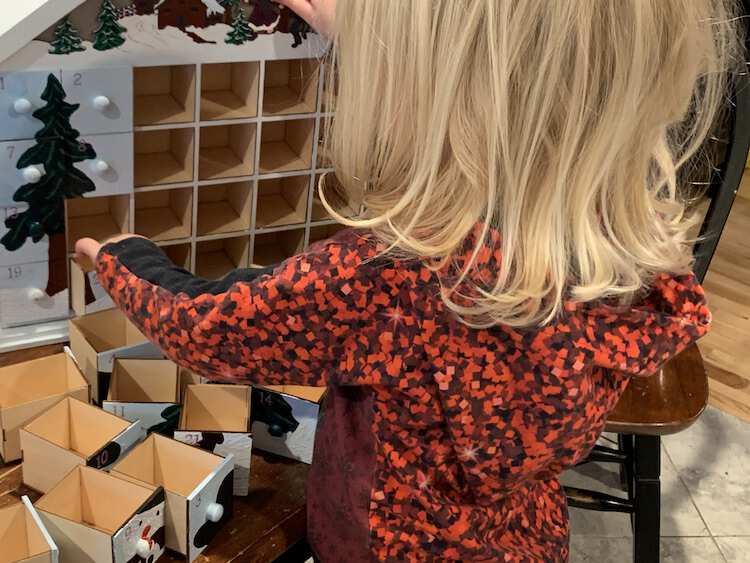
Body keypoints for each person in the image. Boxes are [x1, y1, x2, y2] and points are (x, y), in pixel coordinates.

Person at [76, 0, 740, 560]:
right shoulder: (625, 254)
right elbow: (536, 72)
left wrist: (121, 258)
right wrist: (387, 38)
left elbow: (205, 327)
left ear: (421, 91)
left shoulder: (394, 282)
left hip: (381, 543)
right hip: (524, 536)